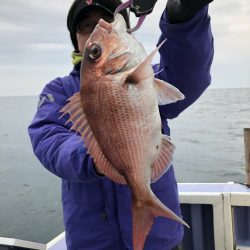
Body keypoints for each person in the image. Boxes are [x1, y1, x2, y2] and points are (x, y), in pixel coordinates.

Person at [28, 0, 214, 249]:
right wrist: (97, 157)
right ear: (75, 39)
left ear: (127, 26)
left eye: (105, 18)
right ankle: (144, 199)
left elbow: (188, 76)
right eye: (86, 26)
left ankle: (146, 204)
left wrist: (184, 21)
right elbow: (48, 139)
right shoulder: (58, 91)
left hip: (157, 242)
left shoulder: (150, 77)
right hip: (92, 242)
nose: (98, 27)